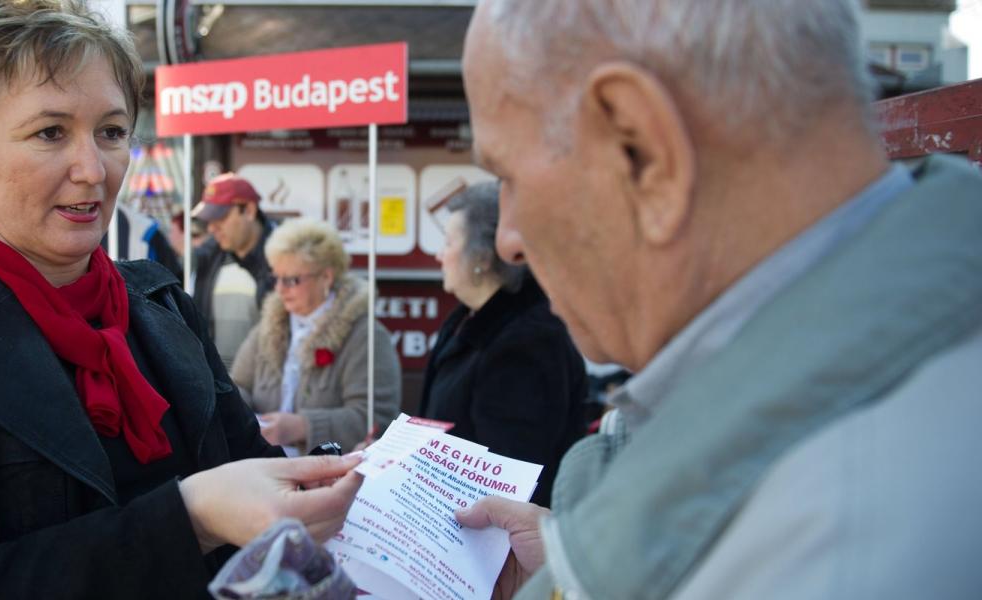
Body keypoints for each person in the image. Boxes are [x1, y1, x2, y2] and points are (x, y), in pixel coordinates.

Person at [0, 2, 361, 598]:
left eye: (112, 132)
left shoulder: (163, 305)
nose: (93, 169)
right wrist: (186, 518)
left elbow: (254, 471)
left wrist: (340, 476)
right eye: (50, 132)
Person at [454, 1, 982, 599]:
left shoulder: (830, 549)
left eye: (510, 177)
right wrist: (573, 572)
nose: (508, 241)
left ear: (643, 149)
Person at [420, 182, 599, 508]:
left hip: (497, 540)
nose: (439, 255)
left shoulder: (529, 341)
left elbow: (509, 472)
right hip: (452, 518)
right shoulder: (468, 317)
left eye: (448, 243)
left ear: (482, 257)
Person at [231, 218, 401, 455]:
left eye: (291, 280)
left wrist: (302, 427)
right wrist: (242, 414)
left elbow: (375, 418)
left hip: (333, 477)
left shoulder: (366, 336)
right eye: (275, 278)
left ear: (326, 277)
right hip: (266, 468)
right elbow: (238, 386)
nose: (279, 289)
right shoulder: (269, 326)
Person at [192, 173, 277, 361]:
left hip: (265, 385)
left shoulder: (282, 257)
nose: (212, 228)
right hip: (218, 385)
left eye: (219, 217)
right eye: (208, 220)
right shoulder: (208, 257)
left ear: (249, 210)